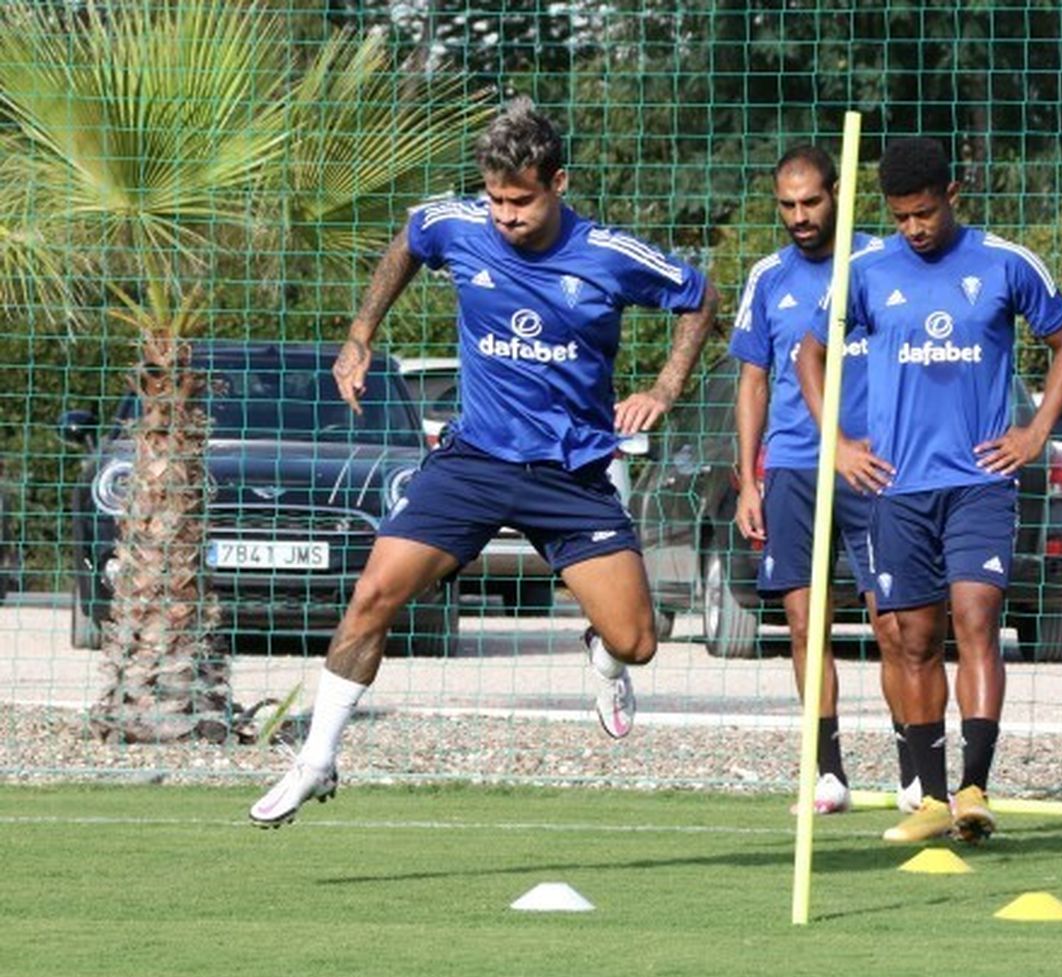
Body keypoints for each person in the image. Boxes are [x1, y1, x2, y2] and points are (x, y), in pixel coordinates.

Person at [250, 99, 718, 827]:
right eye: (496, 199)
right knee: (373, 596)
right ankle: (316, 759)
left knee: (636, 642)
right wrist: (361, 334)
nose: (505, 216)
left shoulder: (608, 255)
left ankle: (602, 653)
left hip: (571, 473)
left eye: (521, 201)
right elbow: (409, 239)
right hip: (473, 463)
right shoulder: (457, 225)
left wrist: (663, 388)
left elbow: (699, 296)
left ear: (558, 183)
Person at [796, 137, 1062, 844]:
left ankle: (974, 788)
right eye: (901, 217)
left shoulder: (1005, 263)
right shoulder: (866, 271)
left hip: (979, 481)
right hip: (897, 486)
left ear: (952, 195)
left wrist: (1035, 432)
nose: (914, 228)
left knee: (977, 618)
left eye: (924, 213)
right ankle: (929, 797)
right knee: (913, 639)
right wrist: (838, 444)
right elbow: (810, 353)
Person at [730, 145, 916, 815]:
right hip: (793, 468)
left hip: (873, 465)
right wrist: (748, 481)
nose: (800, 216)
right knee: (806, 625)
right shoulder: (768, 278)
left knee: (895, 626)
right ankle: (827, 774)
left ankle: (915, 774)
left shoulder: (882, 263)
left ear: (837, 193)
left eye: (811, 202)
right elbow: (753, 381)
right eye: (787, 205)